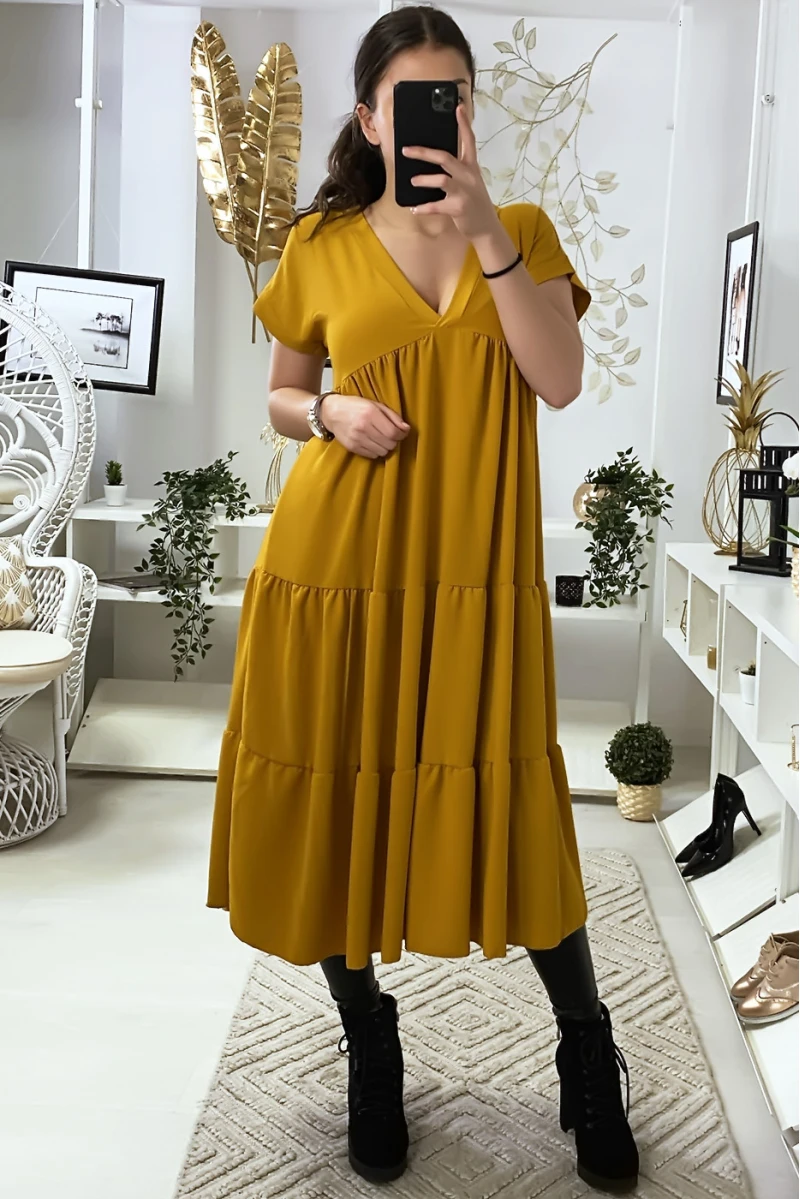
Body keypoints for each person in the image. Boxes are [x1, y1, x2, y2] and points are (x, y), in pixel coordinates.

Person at [208, 6, 639, 1192]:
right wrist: (328, 410)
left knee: (516, 807)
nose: (432, 117)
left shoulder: (523, 231)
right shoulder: (320, 242)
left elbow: (557, 380)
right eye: (408, 99)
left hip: (472, 583)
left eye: (451, 95)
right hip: (335, 568)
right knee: (336, 799)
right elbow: (280, 396)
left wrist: (486, 229)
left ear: (467, 109)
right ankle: (369, 1038)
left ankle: (586, 1044)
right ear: (368, 118)